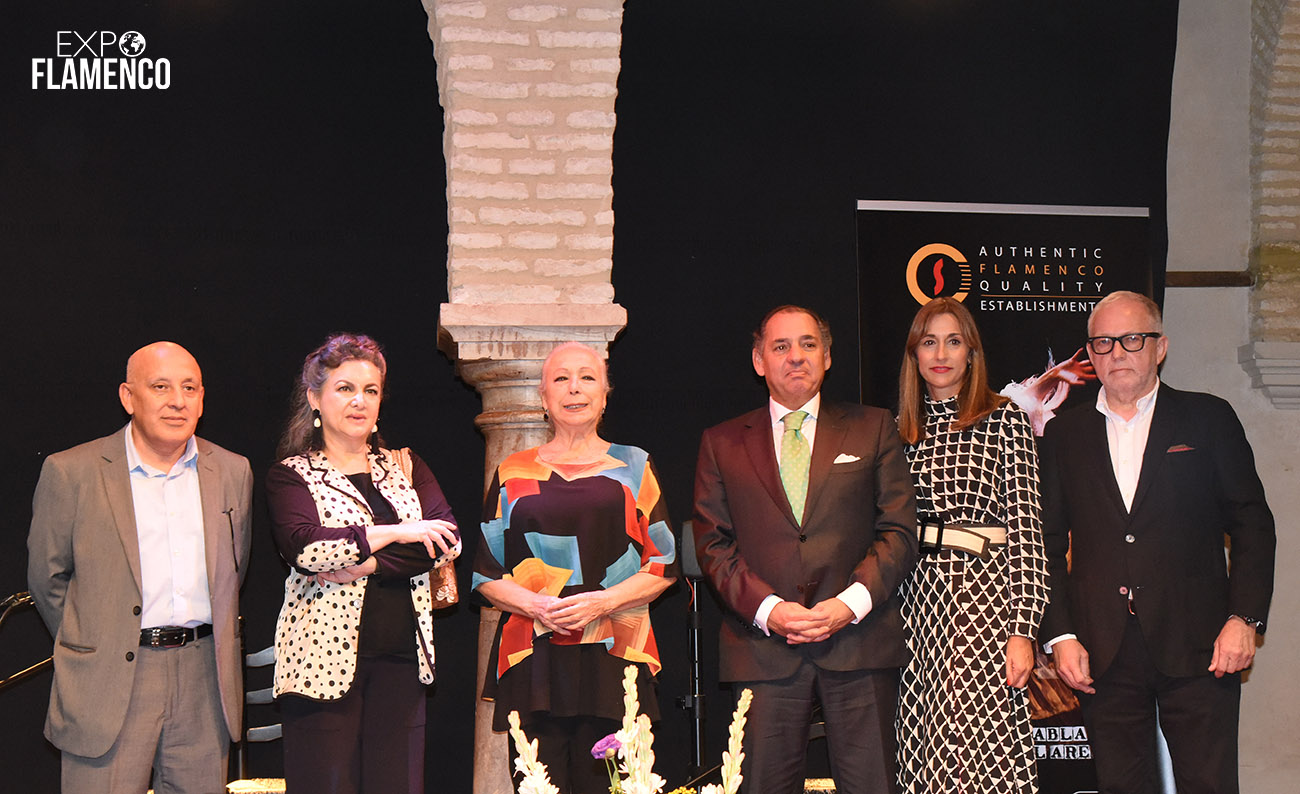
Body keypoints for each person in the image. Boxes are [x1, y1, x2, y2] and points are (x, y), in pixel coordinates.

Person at [1040, 291, 1276, 794]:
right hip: (1102, 649)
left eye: (1132, 339)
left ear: (1160, 346)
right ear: (1090, 353)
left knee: (1208, 784)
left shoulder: (1208, 419)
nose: (1117, 353)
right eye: (1103, 343)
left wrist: (1245, 619)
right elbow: (1047, 541)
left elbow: (1253, 524)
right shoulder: (1064, 434)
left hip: (1201, 644)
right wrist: (1061, 635)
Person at [693, 305, 918, 794]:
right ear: (759, 361)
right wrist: (770, 611)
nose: (796, 357)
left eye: (808, 344)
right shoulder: (721, 442)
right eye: (781, 346)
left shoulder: (873, 427)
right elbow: (713, 544)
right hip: (763, 649)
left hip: (858, 642)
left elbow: (898, 530)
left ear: (828, 356)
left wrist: (847, 605)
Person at [27, 341, 253, 794]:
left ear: (203, 398)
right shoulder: (72, 471)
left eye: (190, 388)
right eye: (161, 386)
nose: (177, 400)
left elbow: (234, 571)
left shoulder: (232, 471)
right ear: (129, 397)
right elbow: (47, 580)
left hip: (203, 681)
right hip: (107, 682)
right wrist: (93, 641)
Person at [473, 342, 679, 794]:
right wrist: (537, 606)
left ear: (605, 393)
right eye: (560, 378)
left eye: (587, 377)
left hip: (616, 651)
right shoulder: (512, 470)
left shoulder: (634, 465)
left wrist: (604, 601)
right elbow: (485, 574)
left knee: (617, 785)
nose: (574, 388)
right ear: (543, 398)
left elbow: (663, 563)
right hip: (534, 654)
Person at [266, 333, 459, 793]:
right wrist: (397, 532)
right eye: (345, 388)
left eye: (370, 391)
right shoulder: (291, 475)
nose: (359, 401)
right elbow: (307, 549)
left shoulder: (406, 466)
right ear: (315, 398)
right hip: (319, 668)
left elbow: (445, 539)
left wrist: (368, 563)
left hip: (402, 663)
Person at [894, 298, 1048, 793]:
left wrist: (1023, 631)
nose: (941, 354)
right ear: (914, 354)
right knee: (924, 749)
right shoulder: (896, 433)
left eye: (954, 341)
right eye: (929, 341)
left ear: (971, 353)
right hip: (916, 606)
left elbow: (1027, 529)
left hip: (985, 605)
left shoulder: (1004, 420)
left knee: (983, 753)